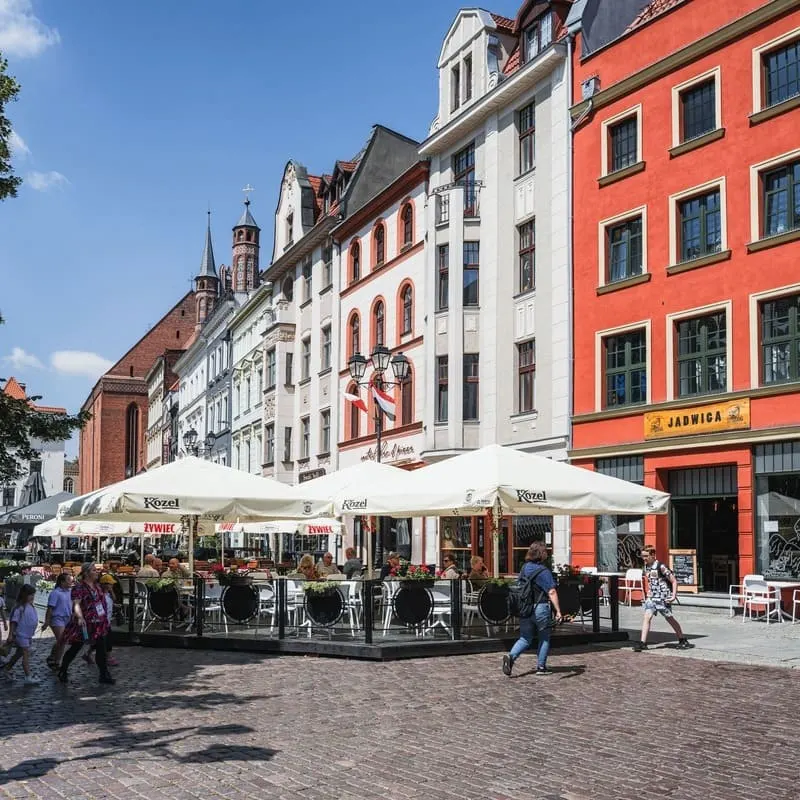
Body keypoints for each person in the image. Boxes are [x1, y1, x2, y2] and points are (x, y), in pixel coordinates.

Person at [502, 542, 563, 677]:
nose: (547, 553)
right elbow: (551, 592)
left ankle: (511, 656)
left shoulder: (525, 568)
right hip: (540, 607)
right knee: (544, 638)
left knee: (525, 638)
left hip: (525, 607)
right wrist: (558, 611)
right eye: (545, 551)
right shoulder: (544, 571)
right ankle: (541, 667)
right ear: (542, 554)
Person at [57, 563, 114, 685]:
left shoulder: (97, 587)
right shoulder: (79, 588)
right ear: (87, 573)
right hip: (85, 623)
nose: (97, 572)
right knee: (76, 647)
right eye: (94, 570)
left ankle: (104, 674)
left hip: (98, 623)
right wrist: (80, 616)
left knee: (101, 648)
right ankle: (63, 670)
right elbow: (76, 604)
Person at [633, 545, 693, 652]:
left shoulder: (661, 566)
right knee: (647, 617)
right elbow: (650, 580)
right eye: (643, 556)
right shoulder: (646, 567)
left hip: (663, 598)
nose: (644, 558)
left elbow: (673, 581)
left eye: (646, 556)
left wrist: (673, 595)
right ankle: (643, 642)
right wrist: (649, 593)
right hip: (652, 598)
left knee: (670, 619)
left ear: (652, 555)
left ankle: (682, 639)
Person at [1, 585, 40, 685]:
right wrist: (10, 635)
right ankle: (28, 676)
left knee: (19, 654)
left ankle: (7, 668)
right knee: (25, 655)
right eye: (30, 595)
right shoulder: (19, 607)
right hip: (20, 635)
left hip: (27, 635)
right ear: (24, 595)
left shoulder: (30, 605)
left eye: (33, 594)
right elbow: (13, 622)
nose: (32, 596)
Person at [43, 573, 74, 670]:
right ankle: (57, 662)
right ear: (62, 582)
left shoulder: (70, 592)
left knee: (62, 641)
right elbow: (50, 608)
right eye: (69, 580)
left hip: (67, 618)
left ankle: (54, 659)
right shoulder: (55, 593)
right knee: (62, 640)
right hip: (57, 618)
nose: (71, 582)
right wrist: (47, 621)